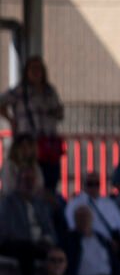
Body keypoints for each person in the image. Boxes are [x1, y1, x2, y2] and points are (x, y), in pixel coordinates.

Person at [0, 56, 64, 191]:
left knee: (50, 180)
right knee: (29, 179)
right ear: (26, 72)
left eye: (39, 68)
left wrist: (53, 111)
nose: (36, 72)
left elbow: (60, 113)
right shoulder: (20, 90)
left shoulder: (49, 91)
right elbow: (2, 102)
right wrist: (11, 119)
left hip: (48, 145)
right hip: (28, 143)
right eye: (32, 68)